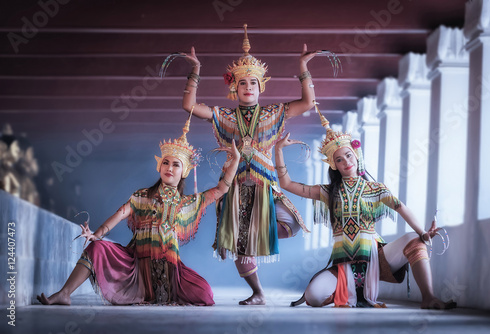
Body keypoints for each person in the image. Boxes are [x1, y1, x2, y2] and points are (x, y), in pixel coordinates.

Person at [177, 24, 322, 305]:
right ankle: (258, 292)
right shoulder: (224, 116)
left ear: (260, 86)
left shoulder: (274, 112)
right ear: (234, 86)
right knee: (238, 247)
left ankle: (256, 236)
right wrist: (195, 70)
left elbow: (308, 102)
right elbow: (189, 107)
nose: (247, 87)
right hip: (235, 190)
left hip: (265, 185)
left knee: (290, 223)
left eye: (252, 82)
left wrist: (302, 67)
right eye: (242, 82)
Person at [37, 111, 240, 306]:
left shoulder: (188, 202)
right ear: (159, 166)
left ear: (184, 171)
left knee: (205, 294)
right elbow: (119, 215)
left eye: (176, 165)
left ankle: (158, 292)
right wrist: (96, 234)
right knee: (96, 248)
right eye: (166, 163)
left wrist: (235, 161)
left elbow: (221, 189)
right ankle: (64, 294)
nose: (169, 168)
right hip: (136, 265)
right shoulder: (142, 196)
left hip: (170, 272)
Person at [274, 105, 457, 309]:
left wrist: (423, 233)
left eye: (349, 155)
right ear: (334, 165)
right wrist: (278, 150)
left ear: (357, 155)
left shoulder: (376, 189)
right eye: (339, 159)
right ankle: (347, 291)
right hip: (343, 264)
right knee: (314, 297)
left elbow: (400, 207)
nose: (346, 162)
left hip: (376, 259)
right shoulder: (328, 192)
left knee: (414, 241)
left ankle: (429, 298)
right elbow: (287, 184)